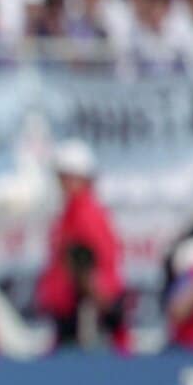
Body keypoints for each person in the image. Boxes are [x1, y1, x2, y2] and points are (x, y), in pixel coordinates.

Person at [33, 139, 126, 350]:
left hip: (86, 321)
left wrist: (100, 305)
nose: (61, 183)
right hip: (69, 319)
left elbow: (95, 272)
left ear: (82, 178)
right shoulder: (69, 215)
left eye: (66, 176)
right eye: (61, 176)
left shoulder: (86, 215)